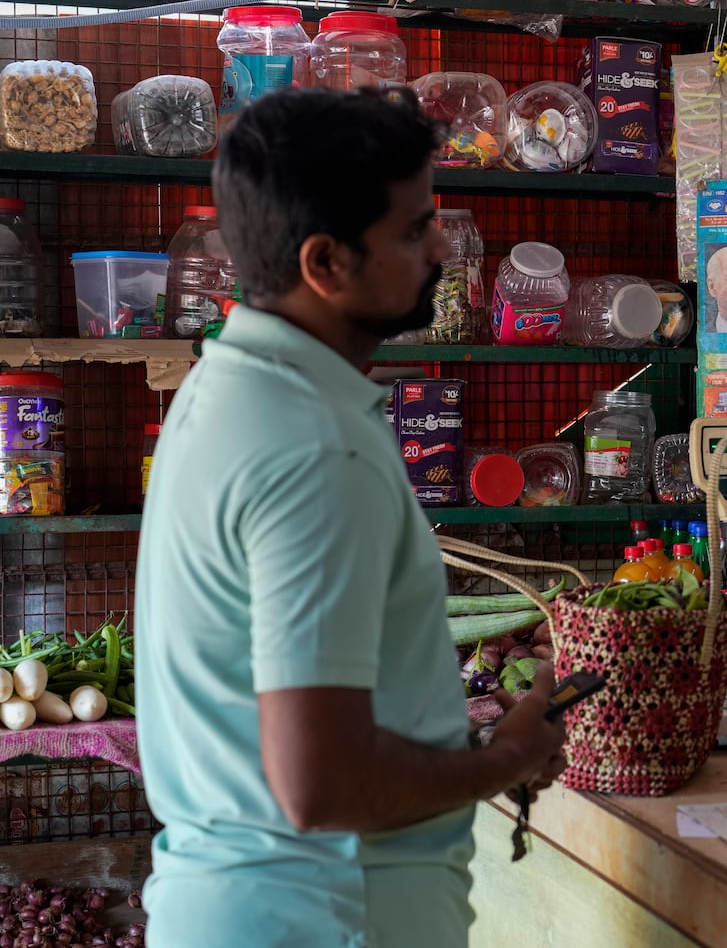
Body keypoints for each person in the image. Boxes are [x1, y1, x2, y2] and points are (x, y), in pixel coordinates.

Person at [135, 88, 568, 947]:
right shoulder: (311, 450)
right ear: (325, 262)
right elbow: (320, 783)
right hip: (322, 916)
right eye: (413, 231)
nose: (442, 247)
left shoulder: (229, 391)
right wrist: (503, 759)